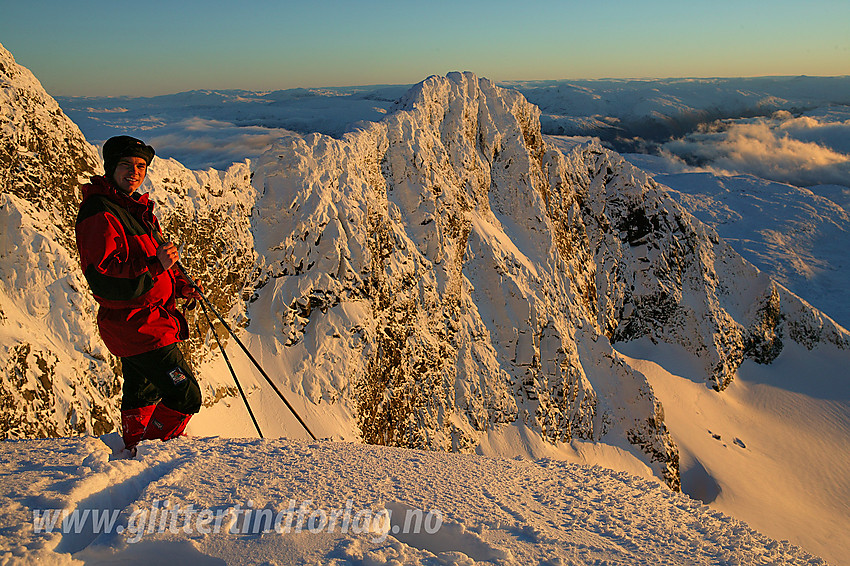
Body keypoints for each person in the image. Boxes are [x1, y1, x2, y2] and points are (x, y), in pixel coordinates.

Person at [75, 135, 202, 454]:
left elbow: (154, 259)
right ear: (110, 168)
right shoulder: (100, 212)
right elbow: (105, 278)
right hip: (139, 326)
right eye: (126, 165)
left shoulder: (134, 210)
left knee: (142, 393)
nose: (134, 172)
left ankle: (134, 449)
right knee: (185, 395)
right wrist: (157, 266)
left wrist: (180, 283)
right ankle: (155, 451)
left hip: (145, 322)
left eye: (141, 166)